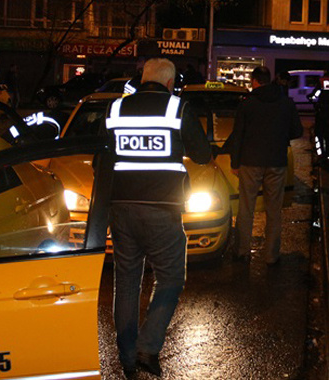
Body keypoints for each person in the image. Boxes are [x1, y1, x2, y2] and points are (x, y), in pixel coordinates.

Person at [105, 58, 212, 378]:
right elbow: (203, 155)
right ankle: (148, 348)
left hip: (121, 206)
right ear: (169, 83)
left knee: (126, 281)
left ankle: (126, 357)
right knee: (171, 278)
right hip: (161, 209)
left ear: (143, 79)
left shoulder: (116, 108)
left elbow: (105, 154)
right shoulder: (177, 108)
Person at [230, 66, 303, 265]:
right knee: (274, 210)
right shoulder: (286, 103)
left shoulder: (248, 104)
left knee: (246, 208)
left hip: (250, 161)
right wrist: (280, 136)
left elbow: (238, 136)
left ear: (254, 81)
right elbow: (297, 131)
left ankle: (242, 251)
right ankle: (271, 255)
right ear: (269, 79)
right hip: (276, 162)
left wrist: (234, 162)